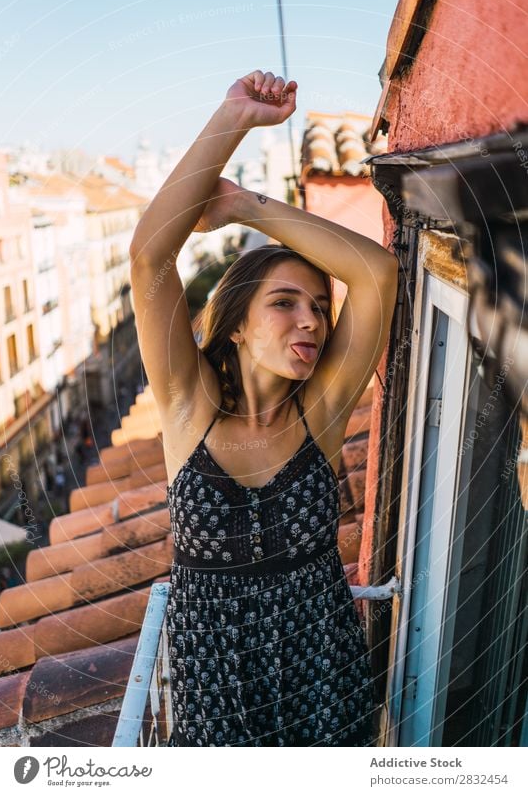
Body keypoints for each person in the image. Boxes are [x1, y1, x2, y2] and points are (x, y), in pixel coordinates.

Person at [129, 70, 398, 746]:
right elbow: (149, 255)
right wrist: (234, 117)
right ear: (238, 323)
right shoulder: (189, 409)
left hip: (327, 693)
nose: (310, 321)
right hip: (219, 710)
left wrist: (249, 205)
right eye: (284, 302)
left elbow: (377, 274)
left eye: (317, 308)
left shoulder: (322, 415)